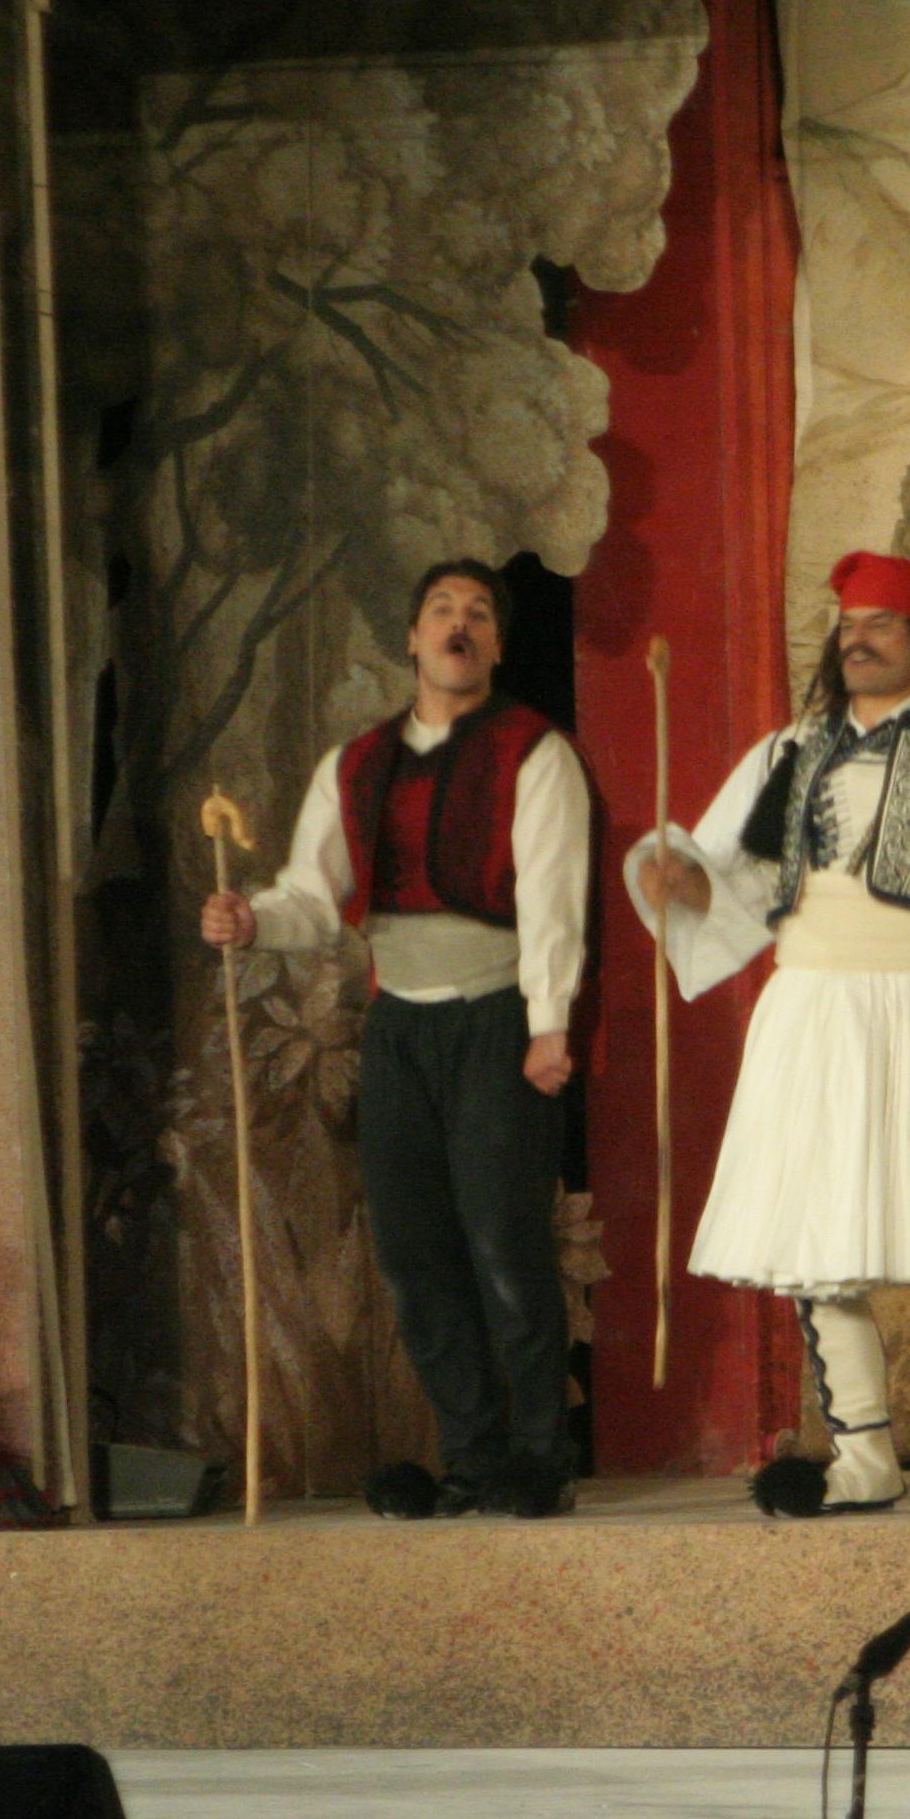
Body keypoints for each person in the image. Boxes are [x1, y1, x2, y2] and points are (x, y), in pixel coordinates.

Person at [627, 552, 910, 1518]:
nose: (857, 640)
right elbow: (734, 877)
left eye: (880, 624)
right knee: (817, 1232)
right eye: (848, 625)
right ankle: (860, 1453)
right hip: (811, 1006)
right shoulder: (790, 751)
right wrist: (681, 882)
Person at [207, 558, 593, 1518]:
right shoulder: (357, 764)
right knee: (416, 1255)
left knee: (505, 1242)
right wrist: (252, 921)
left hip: (496, 1018)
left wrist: (548, 1024)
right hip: (400, 1026)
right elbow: (312, 896)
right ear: (414, 637)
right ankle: (471, 1456)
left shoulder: (534, 754)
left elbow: (554, 901)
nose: (460, 626)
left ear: (496, 644)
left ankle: (539, 1456)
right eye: (442, 610)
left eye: (479, 614)